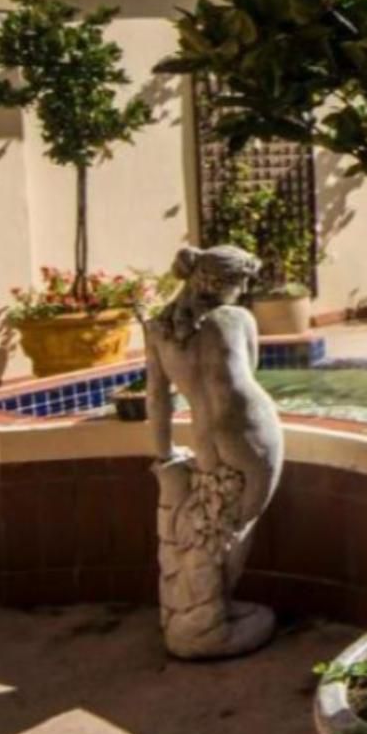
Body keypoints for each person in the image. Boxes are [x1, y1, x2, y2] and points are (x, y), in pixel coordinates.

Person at [145, 244, 284, 659]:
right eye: (241, 281)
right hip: (250, 429)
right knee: (241, 520)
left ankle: (208, 608)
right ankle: (214, 619)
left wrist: (164, 452)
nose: (243, 291)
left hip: (203, 434)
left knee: (212, 520)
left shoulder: (157, 328)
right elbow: (249, 372)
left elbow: (157, 397)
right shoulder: (236, 318)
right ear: (221, 281)